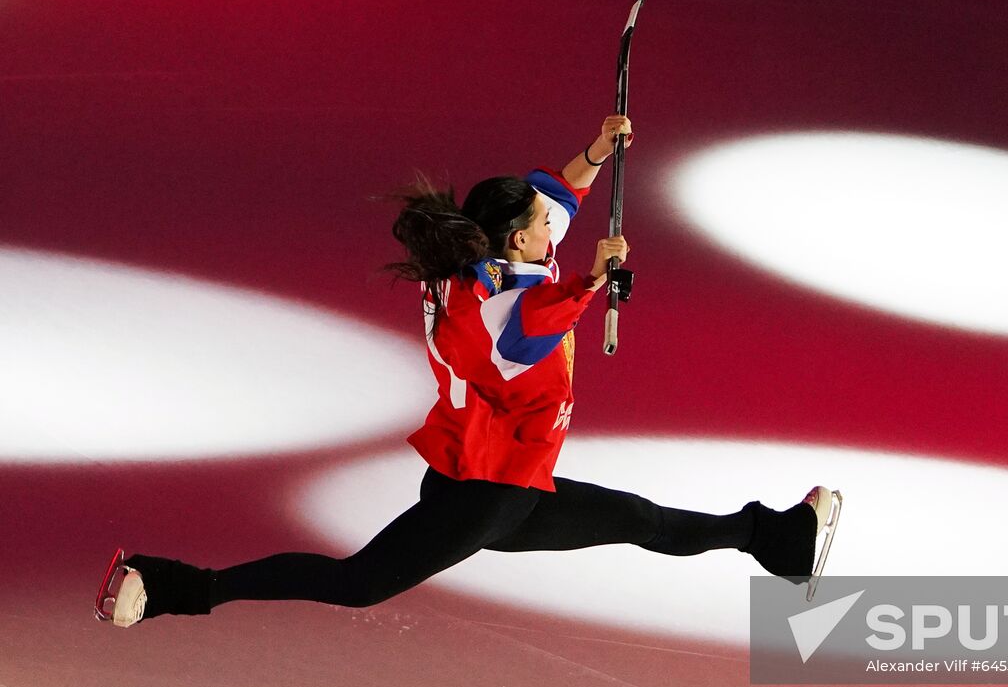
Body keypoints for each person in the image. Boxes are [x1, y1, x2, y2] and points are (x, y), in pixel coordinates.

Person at [97, 114, 834, 628]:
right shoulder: (481, 308)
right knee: (356, 585)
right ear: (515, 239)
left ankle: (779, 540)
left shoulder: (511, 253)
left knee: (637, 519)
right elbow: (519, 346)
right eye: (543, 229)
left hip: (503, 477)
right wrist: (586, 285)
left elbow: (560, 198)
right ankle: (165, 586)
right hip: (483, 491)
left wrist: (598, 150)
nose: (554, 231)